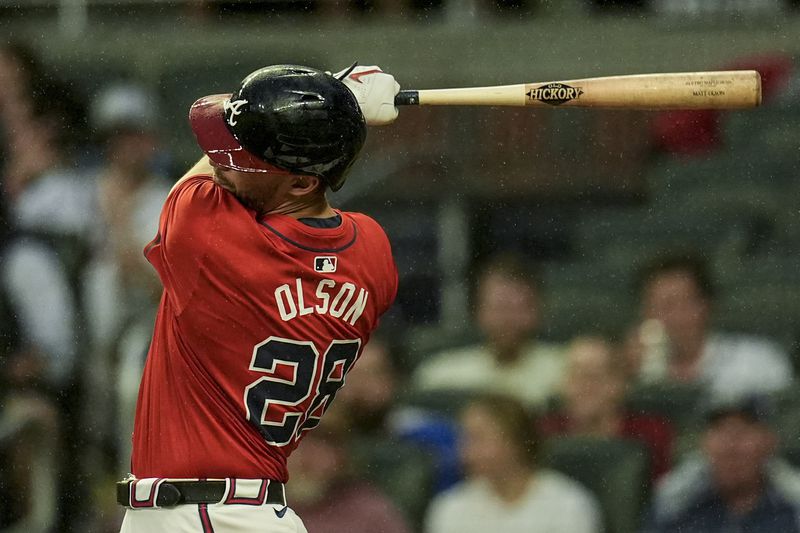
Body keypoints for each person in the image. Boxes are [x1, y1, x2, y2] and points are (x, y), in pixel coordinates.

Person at [116, 64, 401, 533]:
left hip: (201, 515)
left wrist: (335, 89)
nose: (226, 162)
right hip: (240, 510)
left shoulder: (207, 235)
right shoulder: (373, 253)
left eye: (246, 160)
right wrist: (330, 108)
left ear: (302, 182)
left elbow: (210, 144)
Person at [424, 393, 602, 533]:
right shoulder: (450, 508)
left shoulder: (568, 505)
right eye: (465, 439)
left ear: (515, 441)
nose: (466, 452)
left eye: (478, 438)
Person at [411, 252, 565, 409]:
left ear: (538, 311)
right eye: (500, 308)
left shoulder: (565, 372)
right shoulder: (439, 376)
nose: (508, 319)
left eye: (519, 308)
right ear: (476, 311)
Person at [628, 252, 792, 398]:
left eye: (683, 303)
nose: (673, 318)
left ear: (706, 305)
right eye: (660, 307)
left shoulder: (757, 361)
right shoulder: (634, 372)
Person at [642, 393, 800, 533]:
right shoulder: (675, 503)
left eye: (742, 432)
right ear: (703, 442)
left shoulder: (793, 506)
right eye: (720, 431)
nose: (730, 447)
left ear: (769, 441)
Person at [539, 335, 674, 482]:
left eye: (593, 377)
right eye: (574, 375)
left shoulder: (651, 434)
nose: (582, 386)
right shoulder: (543, 432)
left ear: (619, 384)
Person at [287, 406, 412, 533]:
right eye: (294, 443)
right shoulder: (267, 508)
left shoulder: (370, 514)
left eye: (321, 445)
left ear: (342, 456)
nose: (305, 457)